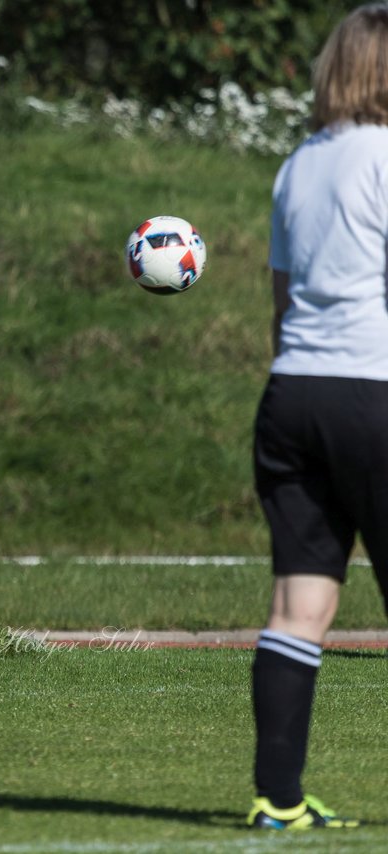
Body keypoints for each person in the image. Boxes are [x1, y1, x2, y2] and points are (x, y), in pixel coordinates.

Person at [247, 2, 388, 831]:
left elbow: (280, 301)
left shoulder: (299, 162)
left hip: (292, 394)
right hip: (373, 392)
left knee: (298, 609)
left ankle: (279, 801)